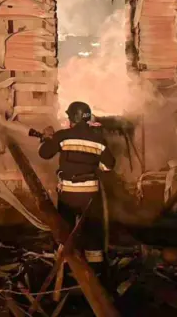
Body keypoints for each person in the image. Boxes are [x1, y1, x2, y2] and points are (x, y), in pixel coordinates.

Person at [38, 101, 115, 276]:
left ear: (73, 118)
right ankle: (96, 273)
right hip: (91, 195)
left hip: (68, 194)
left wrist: (47, 138)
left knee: (66, 232)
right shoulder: (98, 139)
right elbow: (109, 165)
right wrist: (93, 167)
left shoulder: (63, 136)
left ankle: (67, 270)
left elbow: (44, 153)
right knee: (93, 231)